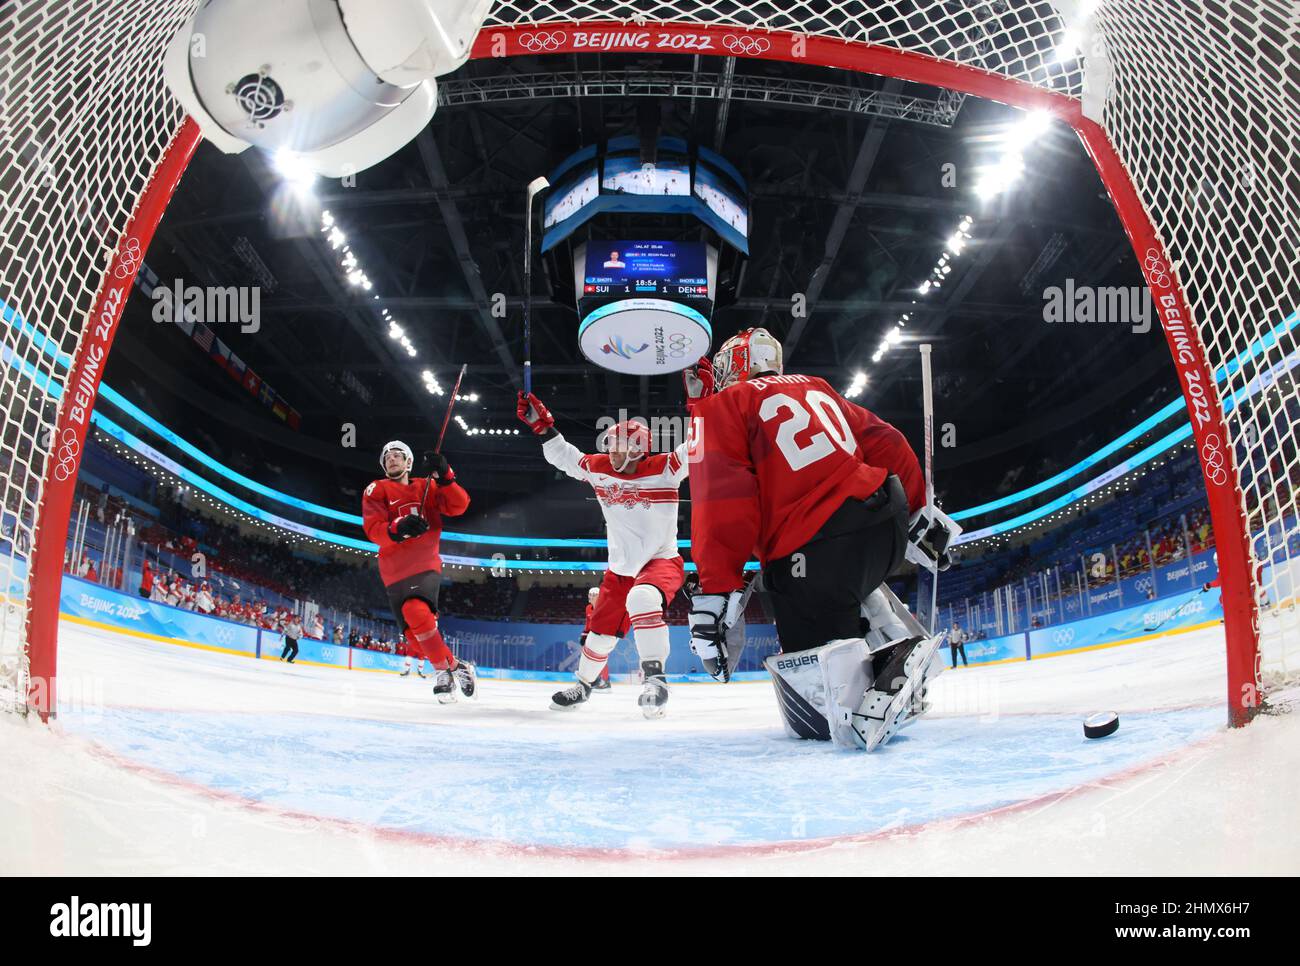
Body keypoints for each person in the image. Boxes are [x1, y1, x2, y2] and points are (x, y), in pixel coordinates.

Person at [684, 327, 955, 752]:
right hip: (886, 516)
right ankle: (894, 649)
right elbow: (889, 441)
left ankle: (886, 679)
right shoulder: (817, 387)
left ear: (735, 364)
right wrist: (920, 512)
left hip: (818, 545)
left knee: (819, 706)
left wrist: (716, 589)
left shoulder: (722, 405)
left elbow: (721, 498)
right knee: (847, 585)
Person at [517, 393, 688, 717]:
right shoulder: (599, 468)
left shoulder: (665, 468)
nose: (611, 449)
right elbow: (566, 458)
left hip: (660, 560)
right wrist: (542, 428)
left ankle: (656, 681)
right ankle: (583, 685)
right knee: (599, 636)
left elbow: (697, 447)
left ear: (638, 447)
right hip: (620, 569)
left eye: (619, 443)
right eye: (610, 442)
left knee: (642, 600)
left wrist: (701, 405)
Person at [361, 441, 476, 704]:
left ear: (409, 462)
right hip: (393, 573)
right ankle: (457, 666)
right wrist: (398, 527)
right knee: (415, 639)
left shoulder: (427, 486)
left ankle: (443, 674)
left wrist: (446, 476)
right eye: (387, 456)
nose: (391, 459)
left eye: (397, 455)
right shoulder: (375, 489)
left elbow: (459, 506)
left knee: (416, 611)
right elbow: (373, 529)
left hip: (424, 565)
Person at [584, 585, 625, 692]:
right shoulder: (588, 608)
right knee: (591, 659)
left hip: (605, 635)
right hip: (593, 635)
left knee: (600, 658)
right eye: (590, 594)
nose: (590, 596)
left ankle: (605, 682)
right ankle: (595, 680)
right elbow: (588, 624)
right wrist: (584, 635)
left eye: (593, 595)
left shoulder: (605, 607)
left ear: (599, 596)